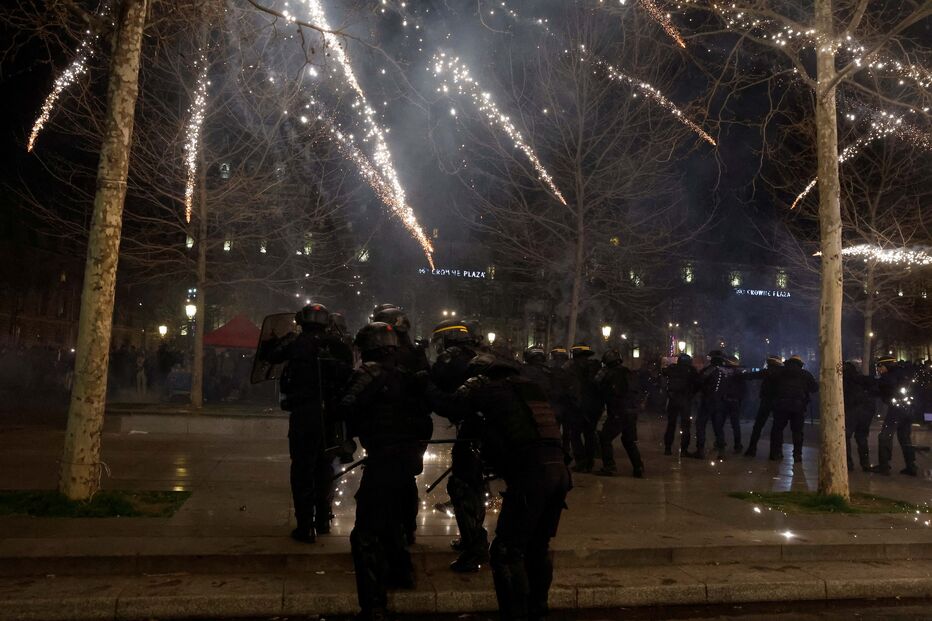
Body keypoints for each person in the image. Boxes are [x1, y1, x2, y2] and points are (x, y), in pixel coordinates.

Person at [431, 352, 571, 621]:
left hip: (532, 475)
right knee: (538, 546)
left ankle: (515, 615)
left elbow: (450, 406)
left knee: (506, 552)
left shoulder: (491, 389)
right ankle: (537, 611)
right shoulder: (530, 389)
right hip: (558, 472)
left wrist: (425, 383)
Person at [340, 322, 431, 621]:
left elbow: (348, 405)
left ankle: (373, 605)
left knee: (365, 534)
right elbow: (424, 417)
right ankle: (402, 574)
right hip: (407, 460)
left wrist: (346, 437)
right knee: (392, 521)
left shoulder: (368, 374)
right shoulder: (407, 377)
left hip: (384, 459)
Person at [266, 303, 353, 542]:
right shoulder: (337, 344)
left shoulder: (296, 342)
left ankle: (305, 526)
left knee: (302, 470)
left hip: (304, 413)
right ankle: (323, 520)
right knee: (324, 468)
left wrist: (276, 338)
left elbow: (271, 356)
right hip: (330, 416)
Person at [430, 318, 489, 572]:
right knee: (475, 484)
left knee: (462, 486)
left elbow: (447, 396)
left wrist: (426, 387)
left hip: (476, 428)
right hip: (490, 429)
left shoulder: (452, 358)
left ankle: (475, 550)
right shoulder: (480, 355)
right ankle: (473, 539)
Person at [372, 305, 432, 545]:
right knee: (407, 477)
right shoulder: (416, 353)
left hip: (392, 425)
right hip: (415, 424)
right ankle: (407, 528)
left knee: (385, 476)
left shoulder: (386, 354)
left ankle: (387, 526)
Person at [596, 349, 644, 477]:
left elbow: (601, 390)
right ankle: (638, 467)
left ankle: (609, 467)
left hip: (618, 412)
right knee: (629, 440)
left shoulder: (610, 374)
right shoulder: (629, 373)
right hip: (631, 412)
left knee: (605, 438)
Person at [872, 357, 918, 476]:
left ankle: (884, 466)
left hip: (896, 410)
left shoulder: (889, 376)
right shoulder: (904, 372)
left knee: (884, 437)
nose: (879, 370)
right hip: (908, 409)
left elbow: (879, 388)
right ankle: (911, 466)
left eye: (880, 367)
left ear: (886, 365)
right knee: (904, 438)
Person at [769, 355, 818, 463]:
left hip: (781, 405)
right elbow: (814, 388)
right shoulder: (805, 374)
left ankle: (775, 453)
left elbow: (771, 386)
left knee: (777, 430)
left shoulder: (780, 372)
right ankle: (797, 455)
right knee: (797, 432)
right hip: (798, 406)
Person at [563, 344, 602, 473]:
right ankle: (589, 462)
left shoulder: (571, 368)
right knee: (589, 435)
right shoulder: (595, 367)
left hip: (578, 407)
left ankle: (581, 462)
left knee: (575, 435)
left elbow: (574, 389)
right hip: (594, 407)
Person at [742, 356, 783, 457]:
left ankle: (752, 449)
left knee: (758, 426)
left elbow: (752, 376)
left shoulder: (766, 371)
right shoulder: (783, 372)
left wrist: (740, 375)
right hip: (779, 401)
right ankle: (775, 452)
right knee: (777, 428)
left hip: (766, 400)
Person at [692, 351, 729, 460]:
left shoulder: (709, 370)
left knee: (700, 425)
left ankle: (700, 450)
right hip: (720, 402)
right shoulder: (726, 371)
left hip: (708, 401)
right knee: (718, 427)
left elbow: (699, 382)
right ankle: (721, 451)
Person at [661, 353, 698, 455]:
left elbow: (663, 373)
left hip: (673, 399)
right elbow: (697, 384)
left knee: (671, 424)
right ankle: (684, 450)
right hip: (685, 400)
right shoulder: (691, 370)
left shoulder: (672, 368)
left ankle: (667, 448)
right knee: (685, 426)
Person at [843, 361, 875, 472]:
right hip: (865, 410)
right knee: (861, 437)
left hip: (851, 410)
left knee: (846, 436)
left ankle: (848, 463)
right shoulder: (861, 379)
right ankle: (865, 463)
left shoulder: (844, 381)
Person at [722, 357, 745, 454]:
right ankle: (737, 445)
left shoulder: (724, 373)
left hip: (724, 400)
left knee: (720, 424)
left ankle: (720, 442)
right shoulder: (739, 374)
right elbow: (743, 390)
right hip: (735, 401)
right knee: (735, 425)